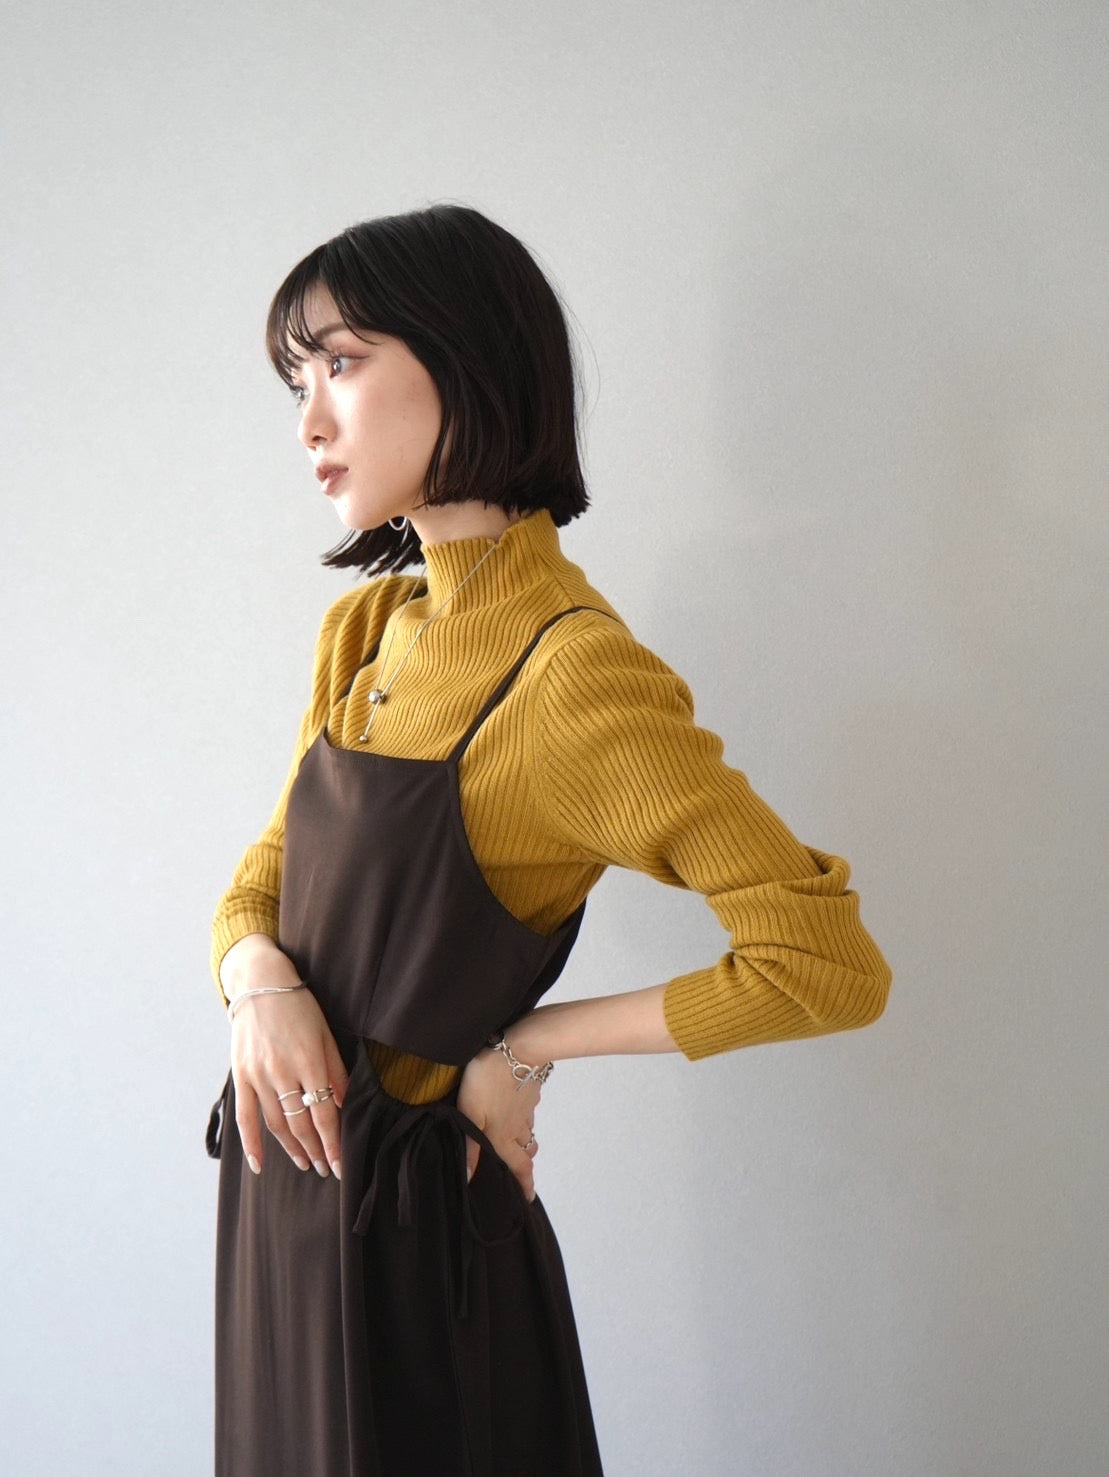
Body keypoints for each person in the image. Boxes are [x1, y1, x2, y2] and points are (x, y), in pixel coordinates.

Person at [204, 202, 893, 1477]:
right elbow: (265, 881)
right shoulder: (365, 634)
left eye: (341, 363)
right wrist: (259, 986)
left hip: (414, 1249)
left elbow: (822, 966)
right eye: (297, 381)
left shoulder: (570, 677)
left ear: (463, 359)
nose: (309, 421)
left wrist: (523, 1048)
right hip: (279, 1206)